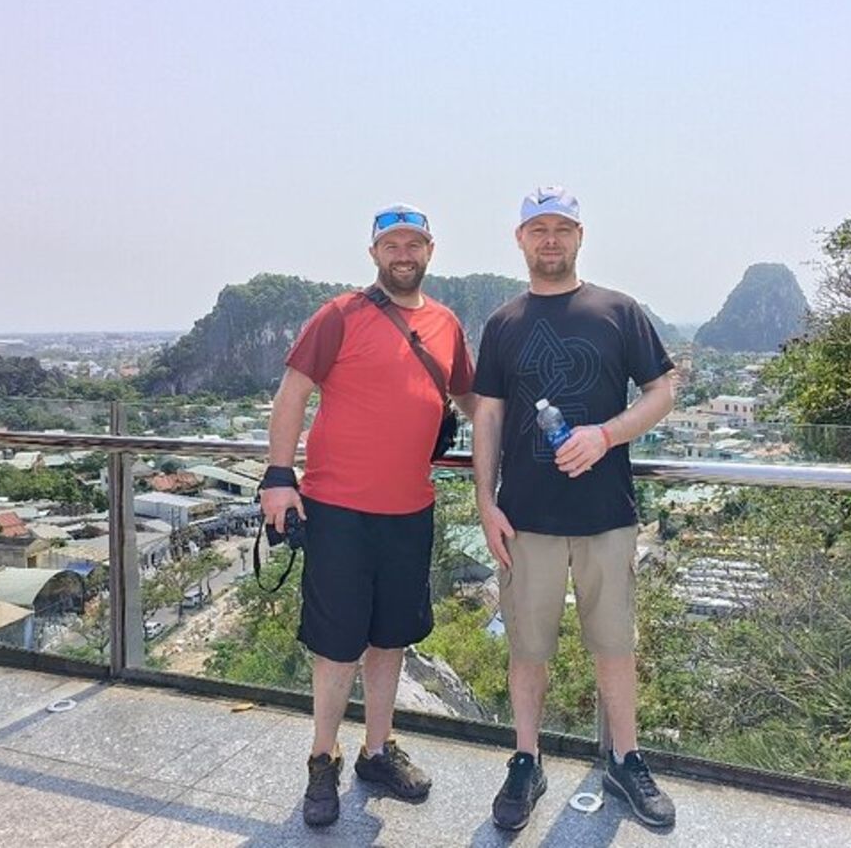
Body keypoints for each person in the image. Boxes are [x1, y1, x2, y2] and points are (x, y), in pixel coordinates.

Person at [260, 204, 476, 828]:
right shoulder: (339, 315)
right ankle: (321, 760)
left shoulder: (445, 323)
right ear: (374, 252)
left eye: (413, 243)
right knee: (336, 646)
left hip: (411, 510)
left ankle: (376, 751)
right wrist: (279, 477)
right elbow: (293, 393)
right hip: (339, 510)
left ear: (429, 251)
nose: (403, 253)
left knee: (390, 640)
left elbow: (470, 396)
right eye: (391, 243)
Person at [472, 186, 677, 830]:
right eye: (539, 229)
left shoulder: (618, 310)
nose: (551, 239)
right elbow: (489, 418)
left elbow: (662, 390)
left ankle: (626, 757)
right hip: (525, 516)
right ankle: (526, 760)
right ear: (521, 239)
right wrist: (484, 502)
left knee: (614, 643)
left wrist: (605, 435)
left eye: (562, 227)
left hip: (606, 512)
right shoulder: (503, 322)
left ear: (580, 236)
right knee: (527, 647)